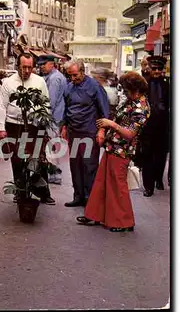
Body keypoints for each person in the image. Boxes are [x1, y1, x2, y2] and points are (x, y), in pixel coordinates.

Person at [76, 71, 150, 232]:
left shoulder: (142, 108)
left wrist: (111, 125)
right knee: (101, 182)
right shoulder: (130, 101)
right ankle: (95, 215)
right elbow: (115, 116)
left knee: (118, 186)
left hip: (123, 150)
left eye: (125, 88)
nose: (123, 91)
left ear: (134, 89)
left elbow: (130, 133)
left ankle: (124, 221)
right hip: (112, 147)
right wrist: (103, 130)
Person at [0, 53, 55, 205]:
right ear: (18, 66)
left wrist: (44, 122)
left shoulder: (40, 81)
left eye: (30, 67)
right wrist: (1, 128)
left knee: (38, 158)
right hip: (14, 125)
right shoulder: (8, 82)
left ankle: (43, 193)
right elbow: (2, 106)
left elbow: (46, 104)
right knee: (17, 160)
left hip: (34, 126)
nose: (27, 70)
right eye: (24, 67)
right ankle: (20, 191)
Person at [61, 59, 110, 207]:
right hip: (74, 131)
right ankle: (78, 196)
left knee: (89, 165)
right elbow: (66, 108)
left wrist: (102, 130)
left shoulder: (95, 86)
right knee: (75, 165)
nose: (73, 78)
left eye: (75, 75)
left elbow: (104, 110)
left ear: (82, 72)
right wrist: (64, 126)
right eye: (70, 75)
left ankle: (90, 198)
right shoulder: (69, 87)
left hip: (89, 131)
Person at [140, 56, 170, 197]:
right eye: (154, 69)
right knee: (147, 156)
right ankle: (148, 186)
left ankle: (158, 178)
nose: (157, 71)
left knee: (161, 155)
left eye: (159, 69)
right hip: (147, 125)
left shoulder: (168, 84)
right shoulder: (144, 83)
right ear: (149, 68)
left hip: (163, 125)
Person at [38, 55, 66, 185]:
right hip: (56, 117)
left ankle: (55, 174)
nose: (41, 67)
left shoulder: (54, 79)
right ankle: (54, 173)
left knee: (50, 146)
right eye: (40, 65)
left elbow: (51, 101)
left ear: (52, 64)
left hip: (52, 118)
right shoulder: (56, 76)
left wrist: (44, 117)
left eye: (44, 64)